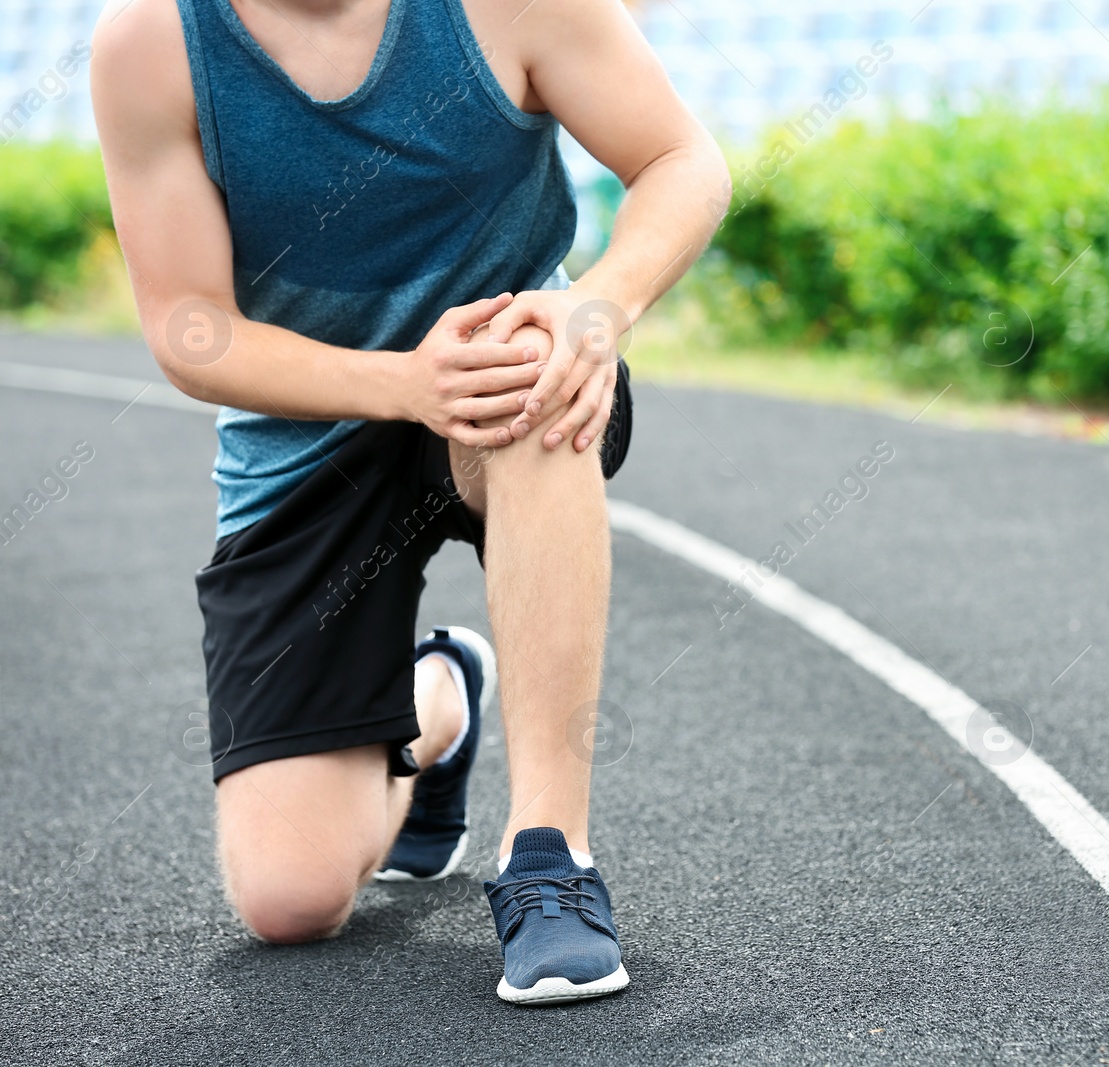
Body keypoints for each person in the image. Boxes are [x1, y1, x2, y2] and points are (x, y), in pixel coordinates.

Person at [90, 0, 729, 1003]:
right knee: (289, 900)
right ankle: (439, 701)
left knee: (530, 370)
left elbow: (682, 161)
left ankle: (550, 857)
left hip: (494, 376)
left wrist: (595, 310)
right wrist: (401, 385)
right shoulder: (152, 43)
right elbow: (189, 328)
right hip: (308, 440)